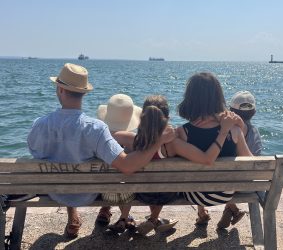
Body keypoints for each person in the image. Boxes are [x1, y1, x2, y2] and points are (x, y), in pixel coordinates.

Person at [27, 63, 176, 238]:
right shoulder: (96, 129)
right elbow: (127, 166)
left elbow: (36, 153)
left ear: (60, 89)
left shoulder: (39, 125)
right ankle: (116, 213)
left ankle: (73, 216)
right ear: (84, 92)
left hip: (54, 192)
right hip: (87, 195)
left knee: (67, 157)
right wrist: (157, 140)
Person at [106, 95, 242, 235]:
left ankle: (136, 218)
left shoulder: (131, 140)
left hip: (141, 194)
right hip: (167, 194)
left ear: (142, 118)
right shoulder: (174, 144)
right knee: (179, 179)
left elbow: (105, 134)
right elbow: (205, 158)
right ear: (167, 119)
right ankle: (156, 218)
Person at [176, 72, 253, 227]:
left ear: (190, 99)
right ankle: (219, 211)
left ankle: (201, 212)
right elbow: (251, 162)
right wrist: (241, 128)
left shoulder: (183, 133)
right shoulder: (234, 131)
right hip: (226, 194)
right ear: (219, 97)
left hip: (195, 195)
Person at [216, 90, 262, 229]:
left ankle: (231, 209)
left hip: (219, 185)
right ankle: (231, 209)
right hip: (247, 187)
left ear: (231, 110)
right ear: (253, 112)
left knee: (224, 175)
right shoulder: (255, 133)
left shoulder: (225, 131)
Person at [96, 93, 142, 231]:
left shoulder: (97, 137)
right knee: (125, 181)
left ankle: (105, 209)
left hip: (100, 192)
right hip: (127, 193)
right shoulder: (134, 141)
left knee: (108, 178)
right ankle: (125, 216)